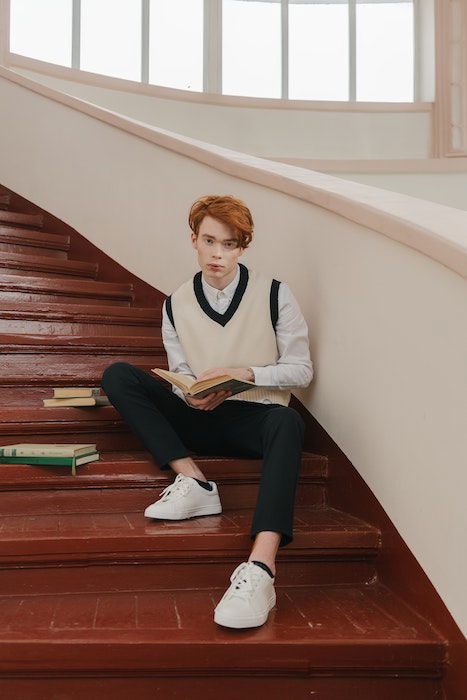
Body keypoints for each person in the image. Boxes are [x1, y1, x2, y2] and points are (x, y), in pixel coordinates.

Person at [101, 194, 313, 629]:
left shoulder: (275, 294)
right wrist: (192, 394)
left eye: (231, 244)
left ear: (243, 247)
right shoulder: (174, 304)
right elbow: (181, 371)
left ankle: (261, 568)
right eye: (210, 241)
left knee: (288, 422)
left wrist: (245, 373)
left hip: (254, 420)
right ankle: (194, 481)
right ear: (193, 239)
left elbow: (301, 370)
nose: (219, 254)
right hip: (199, 417)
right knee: (118, 375)